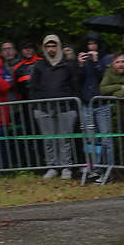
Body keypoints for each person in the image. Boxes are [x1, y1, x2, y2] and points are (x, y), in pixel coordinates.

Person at [21, 33, 85, 179]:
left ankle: (66, 167)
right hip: (44, 109)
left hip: (65, 108)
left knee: (65, 140)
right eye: (48, 46)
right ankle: (52, 167)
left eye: (53, 45)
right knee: (49, 140)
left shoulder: (67, 64)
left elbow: (75, 85)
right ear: (44, 48)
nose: (51, 48)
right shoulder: (39, 65)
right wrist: (37, 106)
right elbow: (34, 88)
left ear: (59, 46)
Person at [95, 49, 124, 177]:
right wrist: (120, 87)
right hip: (120, 114)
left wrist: (116, 94)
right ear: (113, 64)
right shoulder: (110, 71)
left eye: (123, 62)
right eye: (117, 62)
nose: (121, 64)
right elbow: (102, 89)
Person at [76, 34, 112, 179]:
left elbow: (107, 79)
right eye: (89, 44)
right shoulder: (83, 61)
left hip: (102, 104)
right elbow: (76, 81)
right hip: (86, 104)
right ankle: (95, 169)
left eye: (94, 44)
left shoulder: (106, 59)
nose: (91, 47)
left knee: (106, 139)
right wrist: (80, 65)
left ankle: (108, 169)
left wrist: (97, 63)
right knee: (91, 140)